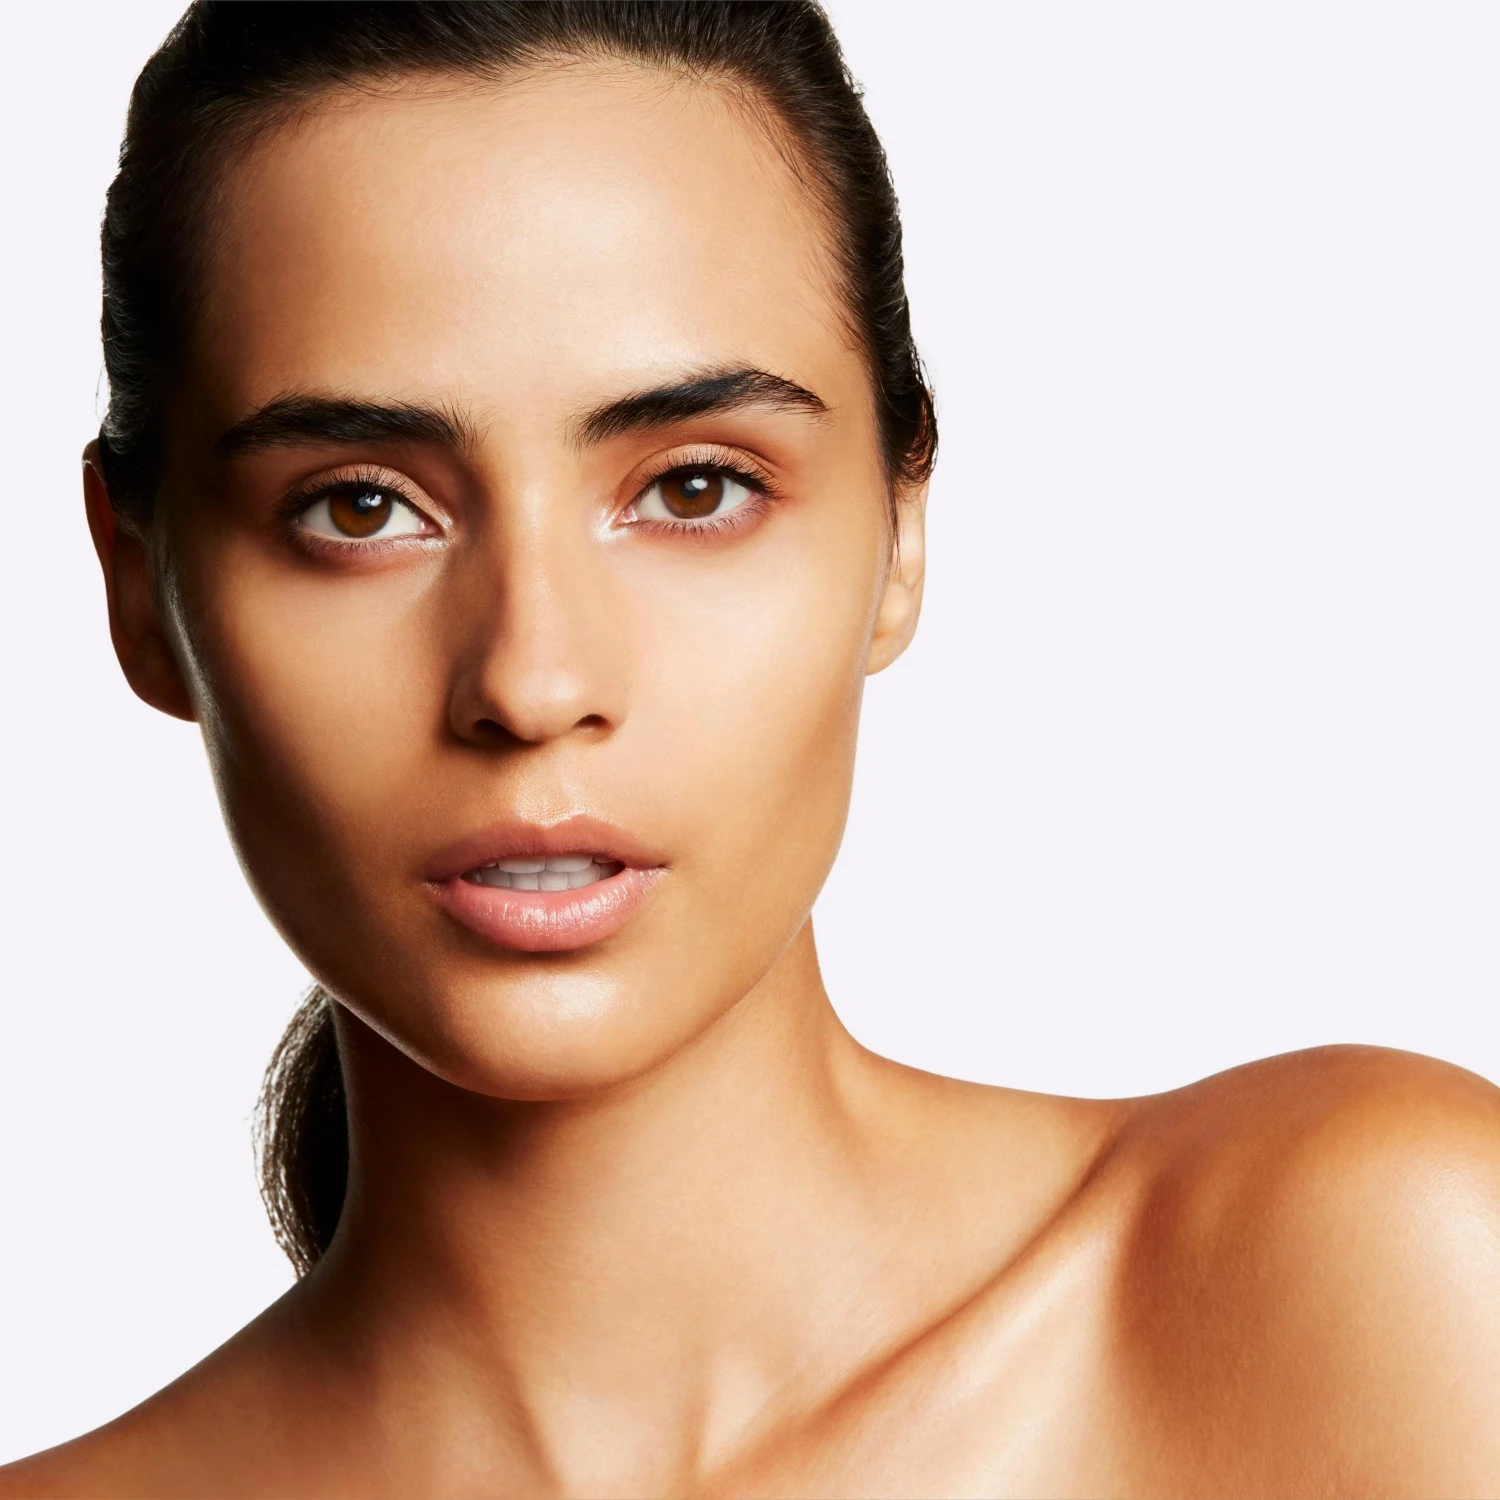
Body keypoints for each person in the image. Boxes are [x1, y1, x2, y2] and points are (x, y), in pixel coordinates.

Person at [5, 3, 1499, 1494]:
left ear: (901, 530)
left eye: (695, 488)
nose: (531, 681)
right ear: (140, 586)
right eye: (361, 507)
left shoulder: (1370, 1277)